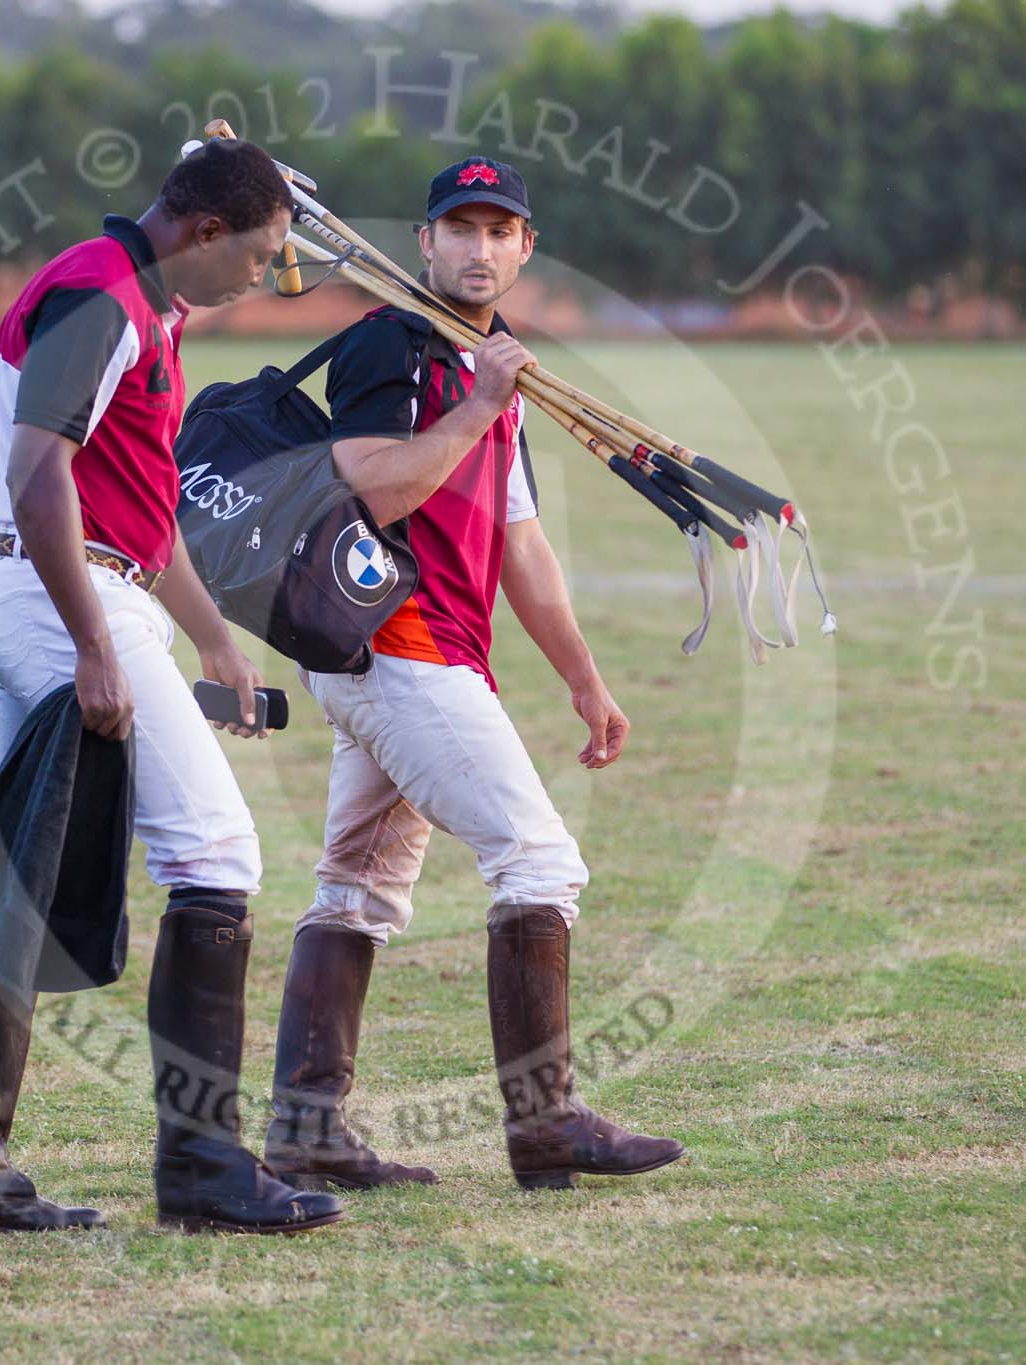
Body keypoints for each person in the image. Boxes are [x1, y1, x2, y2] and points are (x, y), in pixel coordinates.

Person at [0, 139, 344, 1236]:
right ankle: (202, 1172)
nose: (261, 277)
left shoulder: (148, 303)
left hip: (73, 588)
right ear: (203, 233)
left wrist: (214, 642)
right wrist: (96, 646)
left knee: (17, 878)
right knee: (216, 854)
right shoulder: (100, 295)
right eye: (256, 256)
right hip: (58, 598)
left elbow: (138, 514)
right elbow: (35, 471)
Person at [262, 157, 687, 1192]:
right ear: (425, 241)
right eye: (461, 228)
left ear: (526, 247)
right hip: (394, 650)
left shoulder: (504, 367)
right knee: (540, 866)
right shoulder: (390, 344)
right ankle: (543, 1126)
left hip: (428, 658)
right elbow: (373, 487)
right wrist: (471, 408)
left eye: (501, 231)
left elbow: (522, 542)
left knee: (356, 890)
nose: (479, 248)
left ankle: (305, 1126)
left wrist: (584, 679)